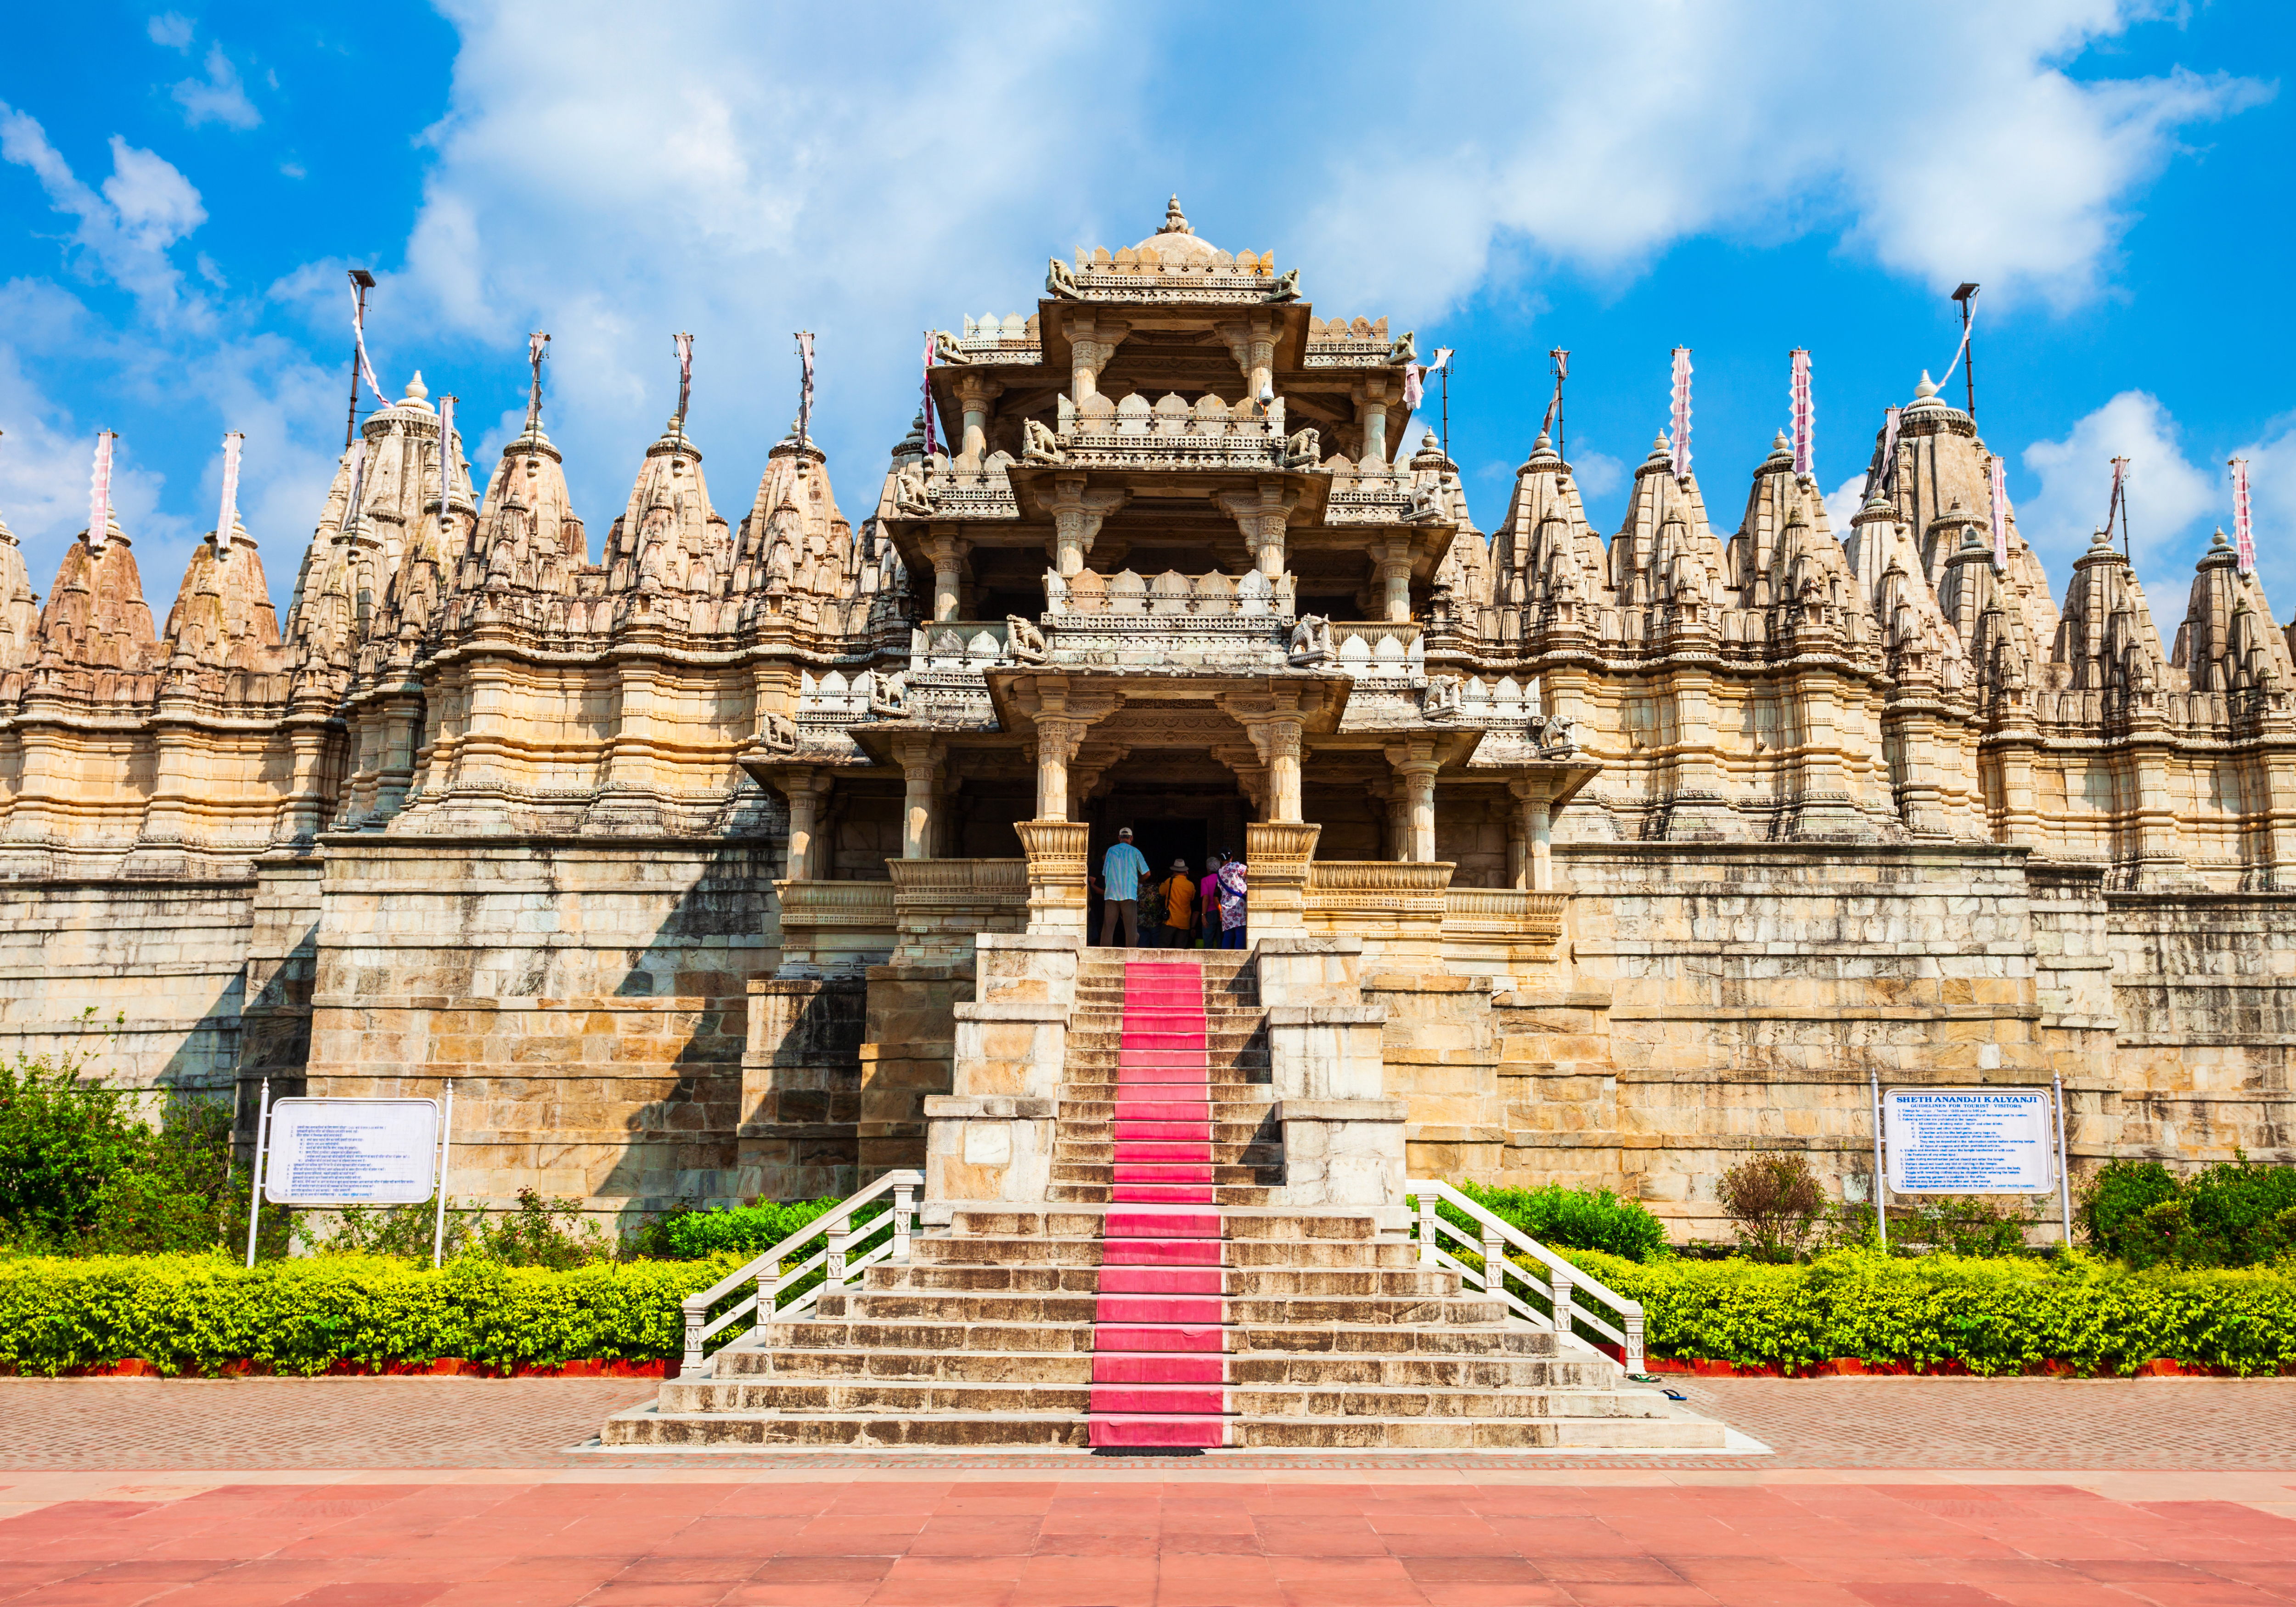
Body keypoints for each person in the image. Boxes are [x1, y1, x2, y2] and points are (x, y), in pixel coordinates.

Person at [1098, 827, 1150, 948]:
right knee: (1131, 929)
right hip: (1129, 894)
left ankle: (1105, 952)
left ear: (1119, 838)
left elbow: (1105, 872)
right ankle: (1130, 953)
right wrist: (1137, 881)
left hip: (1112, 894)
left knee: (1108, 928)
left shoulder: (1111, 851)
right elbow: (1147, 873)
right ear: (1131, 838)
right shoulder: (1135, 852)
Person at [1156, 859, 1195, 948]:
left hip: (1170, 920)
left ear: (1174, 871)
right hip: (1184, 922)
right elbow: (1192, 898)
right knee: (1181, 949)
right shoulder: (1191, 885)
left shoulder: (1170, 881)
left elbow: (1161, 892)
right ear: (1186, 872)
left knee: (1163, 946)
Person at [1216, 851, 1248, 949]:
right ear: (1232, 857)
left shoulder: (1219, 872)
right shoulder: (1237, 866)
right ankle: (1239, 956)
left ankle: (1224, 958)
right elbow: (1250, 873)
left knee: (1228, 935)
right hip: (1239, 903)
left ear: (1221, 860)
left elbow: (1220, 887)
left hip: (1226, 904)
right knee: (1240, 932)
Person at [1198, 854, 1225, 948]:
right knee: (1221, 940)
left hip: (1210, 913)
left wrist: (1203, 916)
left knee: (1208, 941)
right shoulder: (1223, 879)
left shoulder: (1205, 880)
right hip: (1222, 912)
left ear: (1208, 868)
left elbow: (1206, 899)